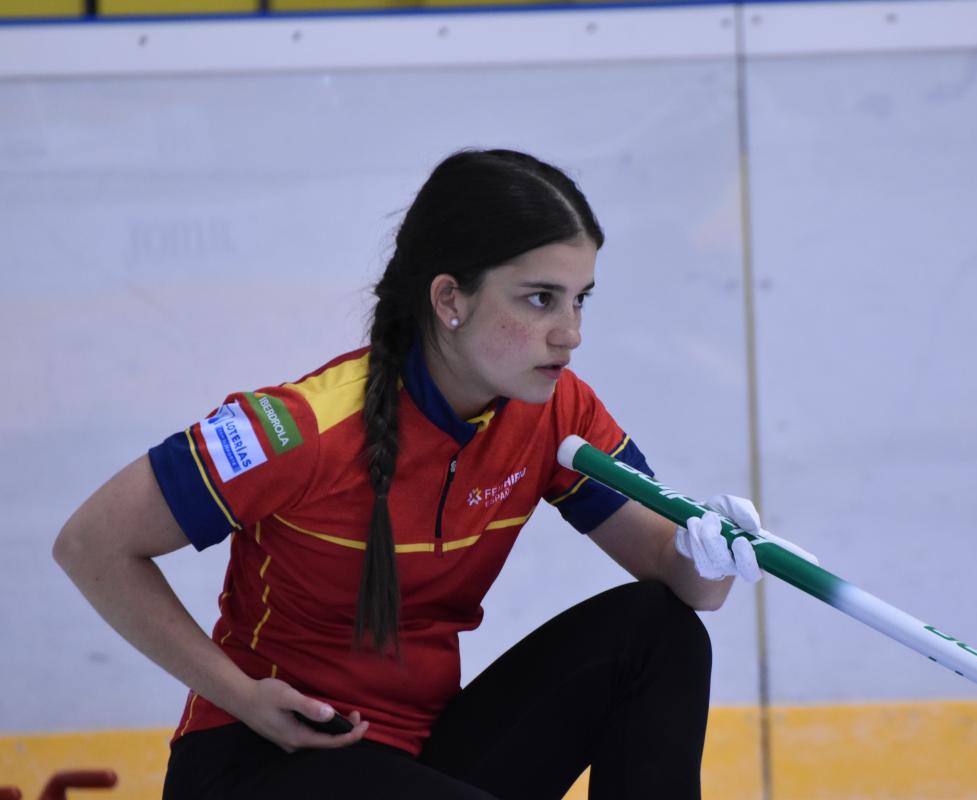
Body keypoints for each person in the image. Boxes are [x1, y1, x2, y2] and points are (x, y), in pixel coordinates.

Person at [53, 149, 796, 799]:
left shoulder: (557, 412)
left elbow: (687, 587)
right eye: (540, 299)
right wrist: (243, 697)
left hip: (420, 759)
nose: (570, 333)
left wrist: (707, 555)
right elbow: (91, 545)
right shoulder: (300, 428)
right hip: (260, 761)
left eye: (580, 300)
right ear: (450, 299)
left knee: (659, 633)